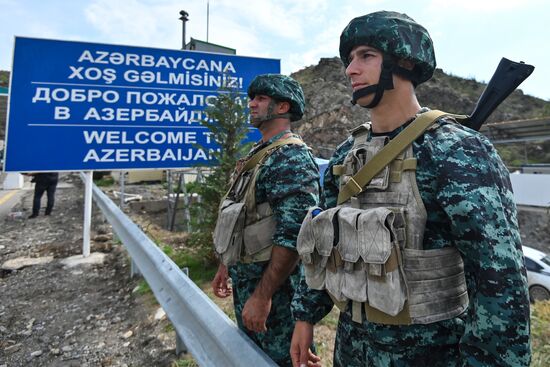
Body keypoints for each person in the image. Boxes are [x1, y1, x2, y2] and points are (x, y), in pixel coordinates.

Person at [290, 11, 531, 367]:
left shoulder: (456, 150)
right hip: (351, 350)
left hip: (430, 354)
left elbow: (499, 281)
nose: (350, 69)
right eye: (350, 59)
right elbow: (324, 244)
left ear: (403, 61)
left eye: (366, 56)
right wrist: (305, 315)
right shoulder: (347, 155)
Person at [211, 74, 321, 366]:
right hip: (248, 284)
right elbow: (240, 216)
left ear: (282, 107)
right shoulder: (258, 154)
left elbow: (294, 235)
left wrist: (263, 297)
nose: (252, 104)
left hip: (277, 298)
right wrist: (226, 263)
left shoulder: (291, 157)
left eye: (260, 99)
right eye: (252, 98)